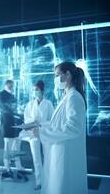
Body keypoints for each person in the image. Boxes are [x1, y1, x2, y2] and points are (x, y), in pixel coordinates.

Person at [32, 62, 87, 194]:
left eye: (57, 75)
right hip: (60, 149)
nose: (55, 79)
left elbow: (73, 127)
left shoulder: (74, 98)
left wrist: (43, 132)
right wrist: (41, 126)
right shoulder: (67, 96)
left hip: (66, 153)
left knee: (63, 186)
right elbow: (58, 122)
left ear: (67, 74)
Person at [16, 80, 54, 190]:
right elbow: (26, 118)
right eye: (33, 90)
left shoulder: (48, 104)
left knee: (47, 157)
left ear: (42, 91)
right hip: (33, 133)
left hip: (45, 133)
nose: (34, 92)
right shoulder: (30, 104)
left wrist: (40, 124)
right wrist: (31, 122)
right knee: (36, 158)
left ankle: (48, 181)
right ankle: (39, 182)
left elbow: (52, 120)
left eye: (36, 90)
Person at [0, 80, 22, 174]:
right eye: (10, 86)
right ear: (6, 85)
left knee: (15, 147)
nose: (11, 88)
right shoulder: (0, 95)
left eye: (12, 86)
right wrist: (13, 109)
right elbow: (7, 108)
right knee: (7, 146)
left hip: (14, 124)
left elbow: (15, 108)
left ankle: (18, 166)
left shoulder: (12, 96)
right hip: (6, 124)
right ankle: (7, 168)